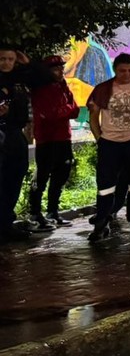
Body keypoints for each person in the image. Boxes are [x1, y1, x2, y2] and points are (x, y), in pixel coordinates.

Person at [87, 54, 130, 242]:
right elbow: (93, 115)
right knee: (106, 184)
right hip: (110, 142)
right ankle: (102, 220)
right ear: (114, 69)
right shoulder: (103, 89)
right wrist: (99, 139)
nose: (126, 74)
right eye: (122, 71)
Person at [0, 45, 51, 241]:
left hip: (14, 133)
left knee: (15, 177)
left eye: (10, 59)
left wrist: (28, 62)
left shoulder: (19, 76)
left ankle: (6, 224)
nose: (6, 63)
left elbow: (46, 78)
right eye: (2, 58)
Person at [29, 56, 81, 229]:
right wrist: (67, 109)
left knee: (61, 174)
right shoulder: (41, 89)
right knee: (42, 175)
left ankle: (53, 211)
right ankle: (35, 213)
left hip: (63, 137)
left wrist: (66, 109)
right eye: (55, 68)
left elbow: (75, 110)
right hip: (47, 138)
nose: (60, 71)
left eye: (61, 67)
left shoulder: (62, 86)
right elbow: (51, 114)